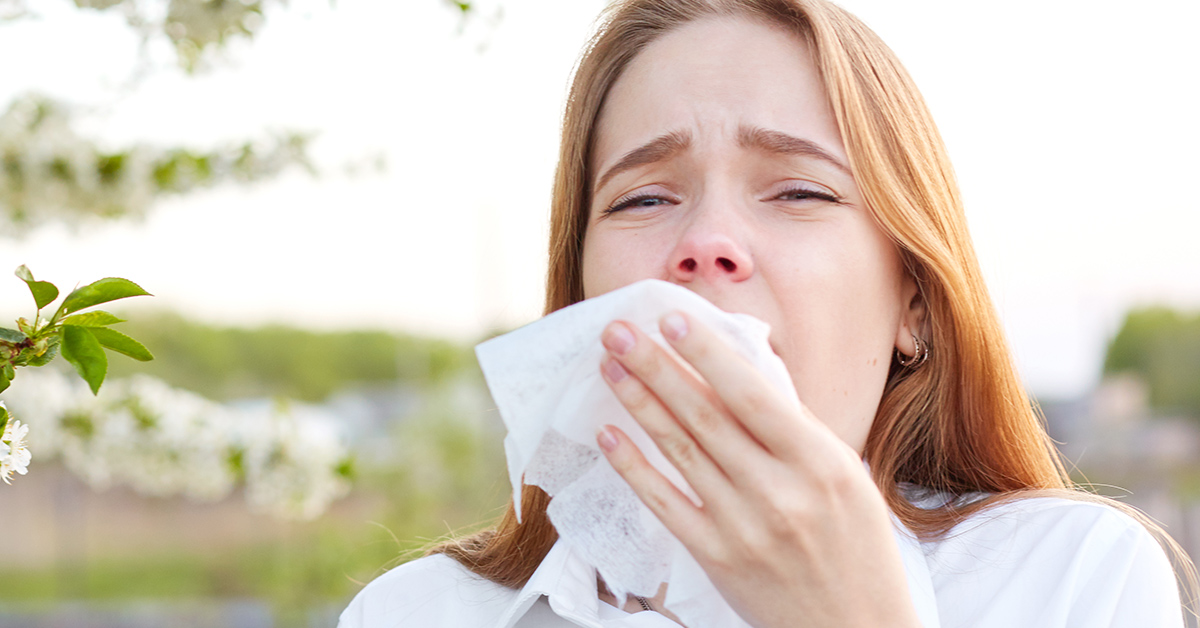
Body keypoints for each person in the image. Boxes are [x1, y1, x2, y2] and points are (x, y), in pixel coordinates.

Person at [338, 0, 1195, 626]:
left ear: (916, 306)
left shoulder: (1075, 577)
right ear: (583, 295)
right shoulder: (412, 613)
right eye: (642, 200)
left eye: (797, 189)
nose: (707, 242)